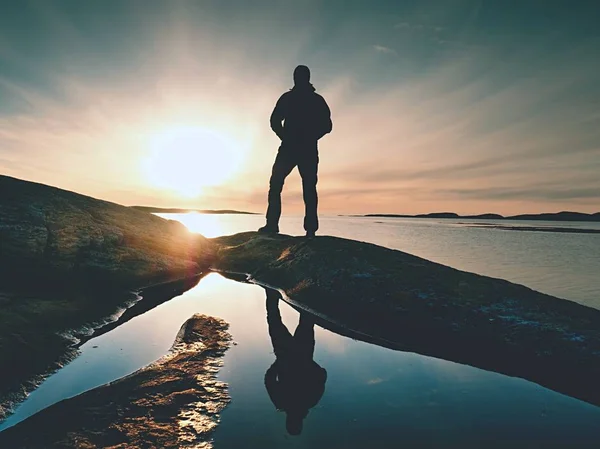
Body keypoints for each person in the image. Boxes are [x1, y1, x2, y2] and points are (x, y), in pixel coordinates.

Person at [258, 65, 333, 238]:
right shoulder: (290, 98)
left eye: (300, 76)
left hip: (302, 148)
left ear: (306, 77)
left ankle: (310, 229)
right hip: (292, 147)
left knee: (307, 187)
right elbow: (275, 120)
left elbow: (327, 126)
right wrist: (284, 136)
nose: (297, 78)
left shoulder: (315, 100)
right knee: (277, 184)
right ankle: (272, 224)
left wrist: (310, 136)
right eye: (296, 76)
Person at [263, 289, 327, 435]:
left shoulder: (310, 401)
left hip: (300, 354)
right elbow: (269, 379)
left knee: (305, 320)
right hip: (286, 354)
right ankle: (273, 290)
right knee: (274, 317)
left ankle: (306, 291)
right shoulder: (282, 402)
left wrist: (309, 364)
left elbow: (322, 375)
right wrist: (278, 363)